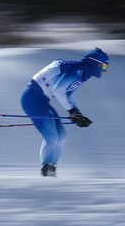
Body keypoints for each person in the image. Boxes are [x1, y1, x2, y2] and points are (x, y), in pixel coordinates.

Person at [22, 48, 109, 176]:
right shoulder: (77, 70)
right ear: (96, 63)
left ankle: (51, 168)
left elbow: (65, 94)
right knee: (52, 137)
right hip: (33, 98)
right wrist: (73, 111)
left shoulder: (80, 70)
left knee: (61, 136)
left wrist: (76, 113)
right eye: (104, 66)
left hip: (40, 99)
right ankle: (46, 171)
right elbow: (58, 91)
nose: (104, 70)